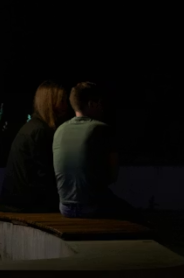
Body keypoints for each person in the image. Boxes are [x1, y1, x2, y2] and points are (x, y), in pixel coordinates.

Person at [53, 81, 138, 220]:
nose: (102, 107)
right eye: (99, 103)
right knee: (135, 216)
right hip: (91, 207)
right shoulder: (101, 129)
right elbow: (112, 176)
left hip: (65, 207)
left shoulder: (59, 131)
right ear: (91, 104)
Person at [0, 80, 70, 213]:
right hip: (26, 206)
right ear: (51, 103)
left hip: (15, 202)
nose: (66, 105)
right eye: (62, 101)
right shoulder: (41, 131)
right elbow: (45, 175)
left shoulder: (32, 127)